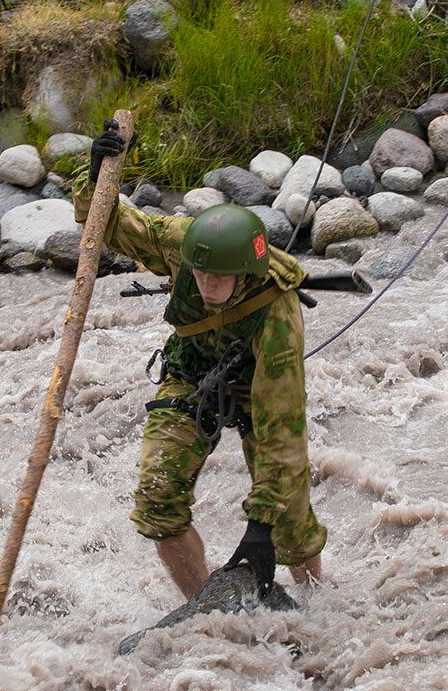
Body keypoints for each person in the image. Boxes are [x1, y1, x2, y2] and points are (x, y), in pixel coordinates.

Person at [72, 121, 326, 601]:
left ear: (245, 273)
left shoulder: (276, 317)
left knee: (289, 520)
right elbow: (109, 225)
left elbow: (283, 429)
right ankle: (204, 610)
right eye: (200, 274)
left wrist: (261, 522)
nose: (206, 284)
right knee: (157, 501)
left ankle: (316, 604)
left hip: (257, 392)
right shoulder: (182, 242)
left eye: (219, 278)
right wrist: (94, 177)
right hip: (192, 375)